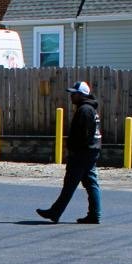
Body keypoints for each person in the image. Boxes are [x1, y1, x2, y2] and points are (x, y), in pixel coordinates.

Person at [37, 81, 102, 224]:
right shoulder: (89, 109)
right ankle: (94, 214)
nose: (71, 96)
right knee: (90, 183)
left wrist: (73, 150)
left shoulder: (85, 110)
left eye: (74, 93)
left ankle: (55, 212)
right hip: (91, 151)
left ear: (81, 95)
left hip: (83, 153)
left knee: (70, 184)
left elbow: (84, 135)